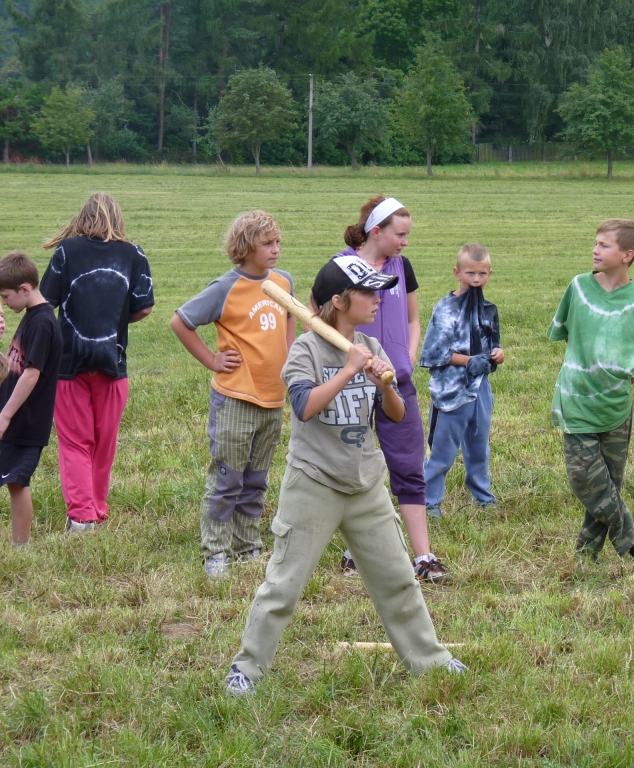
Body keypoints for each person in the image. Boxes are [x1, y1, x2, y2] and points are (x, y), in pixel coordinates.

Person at [225, 255, 466, 695]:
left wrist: (385, 385)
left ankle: (431, 661)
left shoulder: (371, 346)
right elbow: (304, 406)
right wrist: (350, 370)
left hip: (365, 482)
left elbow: (394, 415)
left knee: (398, 580)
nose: (378, 300)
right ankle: (246, 670)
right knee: (283, 586)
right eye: (367, 293)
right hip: (313, 481)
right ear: (338, 301)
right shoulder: (306, 350)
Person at [170, 211, 296, 578]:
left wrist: (289, 358)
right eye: (267, 243)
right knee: (227, 479)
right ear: (245, 247)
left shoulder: (283, 282)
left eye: (278, 242)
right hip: (236, 400)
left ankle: (247, 546)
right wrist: (212, 359)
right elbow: (181, 321)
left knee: (256, 479)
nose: (276, 249)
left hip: (273, 400)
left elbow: (291, 316)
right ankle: (216, 551)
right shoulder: (226, 287)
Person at [333, 195, 449, 583]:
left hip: (396, 384)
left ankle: (424, 558)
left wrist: (408, 357)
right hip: (353, 385)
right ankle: (355, 552)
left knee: (409, 466)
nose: (405, 241)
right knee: (356, 467)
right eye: (399, 234)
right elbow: (316, 321)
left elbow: (414, 319)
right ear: (376, 231)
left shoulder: (403, 267)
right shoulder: (340, 267)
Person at [548, 219, 634, 569]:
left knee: (607, 486)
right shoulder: (579, 287)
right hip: (576, 401)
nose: (594, 250)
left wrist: (625, 380)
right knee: (585, 479)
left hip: (616, 408)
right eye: (595, 243)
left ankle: (585, 556)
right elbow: (570, 336)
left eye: (604, 245)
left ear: (626, 255)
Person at [40, 193, 155, 533]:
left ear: (82, 217)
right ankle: (98, 509)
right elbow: (145, 307)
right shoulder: (134, 254)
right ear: (118, 218)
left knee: (75, 442)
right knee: (104, 443)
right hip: (113, 362)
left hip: (67, 362)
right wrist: (114, 319)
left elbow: (46, 302)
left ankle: (81, 517)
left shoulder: (66, 251)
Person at [420, 243, 504, 516]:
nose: (476, 280)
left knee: (479, 448)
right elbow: (433, 354)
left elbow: (492, 345)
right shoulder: (445, 309)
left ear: (490, 274)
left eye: (482, 274)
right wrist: (469, 361)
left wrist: (497, 354)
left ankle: (483, 498)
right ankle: (430, 503)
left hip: (481, 389)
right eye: (470, 273)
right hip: (451, 391)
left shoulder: (489, 309)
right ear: (457, 273)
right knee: (442, 451)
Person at [0, 252, 61, 546]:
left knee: (18, 481)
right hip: (15, 416)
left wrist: (5, 415)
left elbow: (30, 375)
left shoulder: (42, 323)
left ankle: (20, 546)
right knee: (14, 481)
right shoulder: (32, 317)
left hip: (25, 420)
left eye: (5, 297)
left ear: (24, 289)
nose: (4, 303)